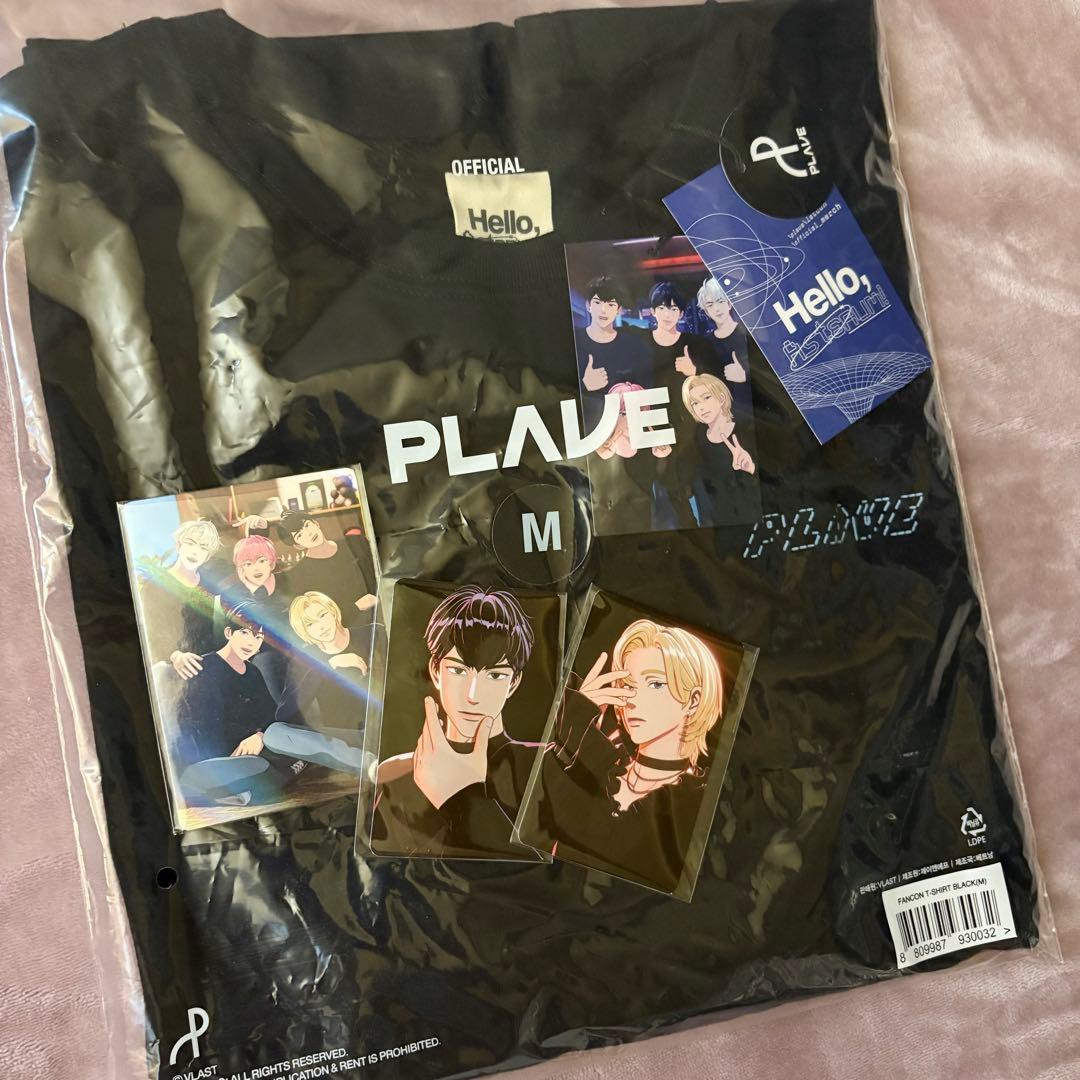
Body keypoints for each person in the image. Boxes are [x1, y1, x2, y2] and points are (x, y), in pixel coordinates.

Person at [522, 618, 724, 893]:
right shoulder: (598, 766)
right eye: (628, 685)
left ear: (694, 700)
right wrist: (573, 731)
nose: (634, 700)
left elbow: (614, 847)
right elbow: (528, 822)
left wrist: (578, 730)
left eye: (655, 684)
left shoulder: (697, 798)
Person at [371, 585, 546, 858]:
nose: (473, 695)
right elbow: (392, 867)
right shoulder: (396, 773)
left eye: (495, 675)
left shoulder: (542, 767)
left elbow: (540, 873)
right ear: (435, 671)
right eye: (458, 670)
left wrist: (463, 795)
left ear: (513, 683)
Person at [169, 601, 306, 808]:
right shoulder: (203, 667)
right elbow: (200, 732)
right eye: (244, 632)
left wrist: (259, 737)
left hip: (245, 759)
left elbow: (271, 718)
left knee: (296, 748)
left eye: (258, 637)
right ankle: (248, 787)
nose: (251, 642)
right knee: (266, 767)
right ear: (228, 633)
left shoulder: (253, 672)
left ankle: (243, 792)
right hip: (209, 763)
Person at [137, 518, 222, 679]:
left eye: (203, 547)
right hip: (170, 667)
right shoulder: (155, 585)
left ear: (207, 556)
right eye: (190, 543)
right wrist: (175, 656)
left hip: (206, 665)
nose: (195, 551)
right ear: (178, 546)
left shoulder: (209, 587)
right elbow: (151, 633)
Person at [214, 535, 294, 700]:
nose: (256, 568)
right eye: (248, 564)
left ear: (271, 562)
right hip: (260, 655)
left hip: (297, 651)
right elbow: (224, 635)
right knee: (265, 663)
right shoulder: (233, 593)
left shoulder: (288, 582)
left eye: (261, 561)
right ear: (240, 569)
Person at [681, 373, 760, 527]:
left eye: (706, 397)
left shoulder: (745, 427)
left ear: (722, 398)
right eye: (695, 403)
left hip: (751, 512)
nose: (701, 407)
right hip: (718, 520)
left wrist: (751, 468)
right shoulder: (696, 438)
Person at [574, 274, 651, 426]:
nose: (603, 310)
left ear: (618, 310)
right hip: (589, 424)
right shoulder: (575, 340)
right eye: (597, 302)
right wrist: (584, 385)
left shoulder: (632, 345)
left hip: (626, 424)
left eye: (610, 304)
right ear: (588, 305)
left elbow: (645, 388)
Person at [275, 508, 378, 618]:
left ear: (316, 523)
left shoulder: (355, 543)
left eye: (307, 525)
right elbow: (319, 617)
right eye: (299, 535)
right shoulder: (300, 575)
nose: (308, 533)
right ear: (298, 545)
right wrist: (357, 607)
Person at [696, 276, 752, 412]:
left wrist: (745, 376)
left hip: (754, 409)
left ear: (729, 303)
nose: (716, 308)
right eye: (710, 305)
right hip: (725, 412)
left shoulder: (747, 333)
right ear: (706, 311)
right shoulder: (707, 343)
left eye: (720, 301)